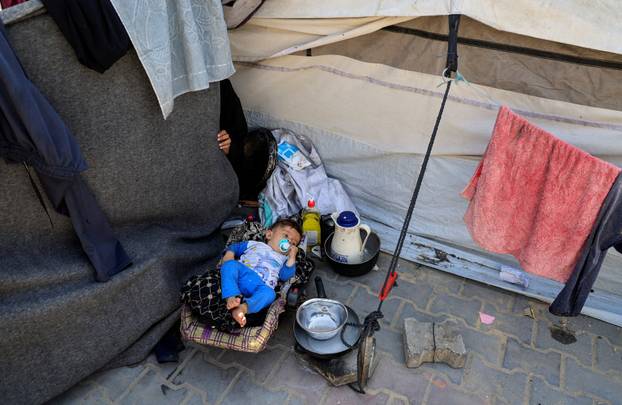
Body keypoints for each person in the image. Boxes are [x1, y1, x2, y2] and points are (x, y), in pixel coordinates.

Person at [220, 218, 301, 326]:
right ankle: (231, 297)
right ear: (269, 235)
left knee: (269, 294)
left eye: (293, 243)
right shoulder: (255, 244)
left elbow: (285, 276)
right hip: (242, 274)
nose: (289, 242)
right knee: (230, 265)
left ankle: (242, 308)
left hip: (260, 285)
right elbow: (235, 247)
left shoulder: (283, 259)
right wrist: (229, 254)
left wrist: (292, 257)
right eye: (286, 236)